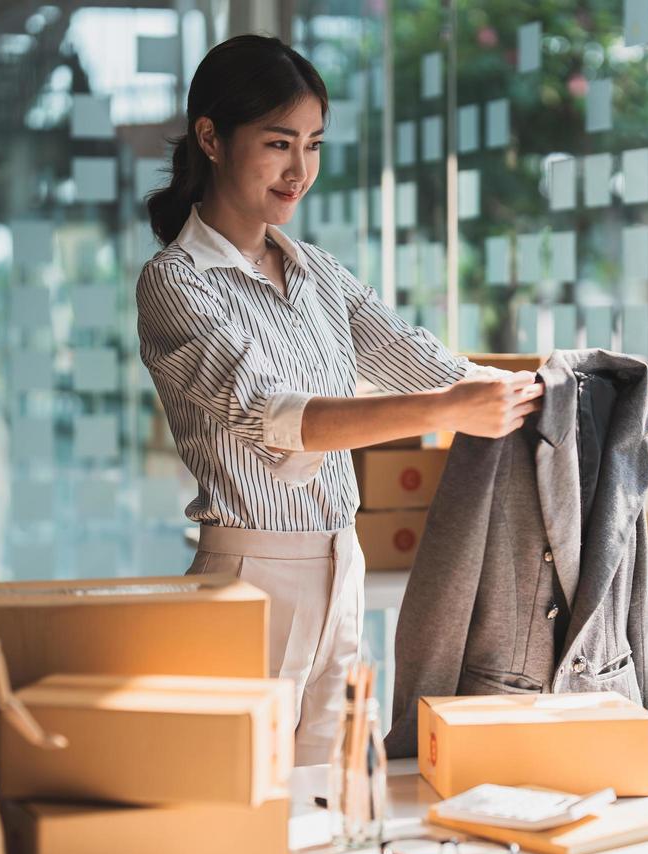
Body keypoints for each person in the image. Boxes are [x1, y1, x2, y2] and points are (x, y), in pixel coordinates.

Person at [136, 34, 542, 764]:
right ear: (212, 138)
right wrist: (447, 410)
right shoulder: (177, 283)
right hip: (248, 581)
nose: (300, 171)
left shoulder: (316, 271)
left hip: (341, 568)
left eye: (315, 145)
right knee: (245, 805)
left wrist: (566, 390)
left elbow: (421, 360)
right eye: (279, 143)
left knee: (331, 798)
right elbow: (274, 419)